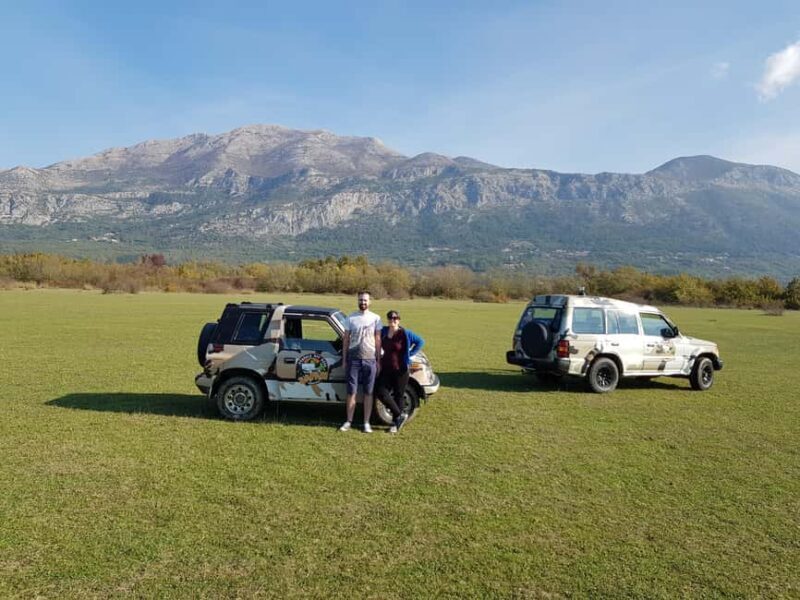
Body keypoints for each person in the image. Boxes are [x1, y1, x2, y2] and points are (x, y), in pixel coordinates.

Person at [339, 291, 382, 433]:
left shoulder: (376, 318)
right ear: (357, 301)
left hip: (370, 360)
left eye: (365, 300)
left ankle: (366, 423)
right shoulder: (351, 318)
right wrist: (345, 360)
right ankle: (348, 421)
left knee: (368, 393)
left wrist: (378, 361)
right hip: (353, 360)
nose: (362, 302)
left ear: (370, 302)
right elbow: (345, 340)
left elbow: (378, 340)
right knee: (352, 392)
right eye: (360, 300)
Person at [376, 310, 425, 434]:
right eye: (390, 318)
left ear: (399, 319)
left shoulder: (405, 333)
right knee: (381, 392)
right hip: (386, 368)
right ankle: (400, 414)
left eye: (395, 318)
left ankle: (396, 423)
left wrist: (409, 355)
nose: (393, 320)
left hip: (400, 370)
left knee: (399, 394)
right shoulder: (384, 331)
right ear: (387, 319)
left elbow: (420, 342)